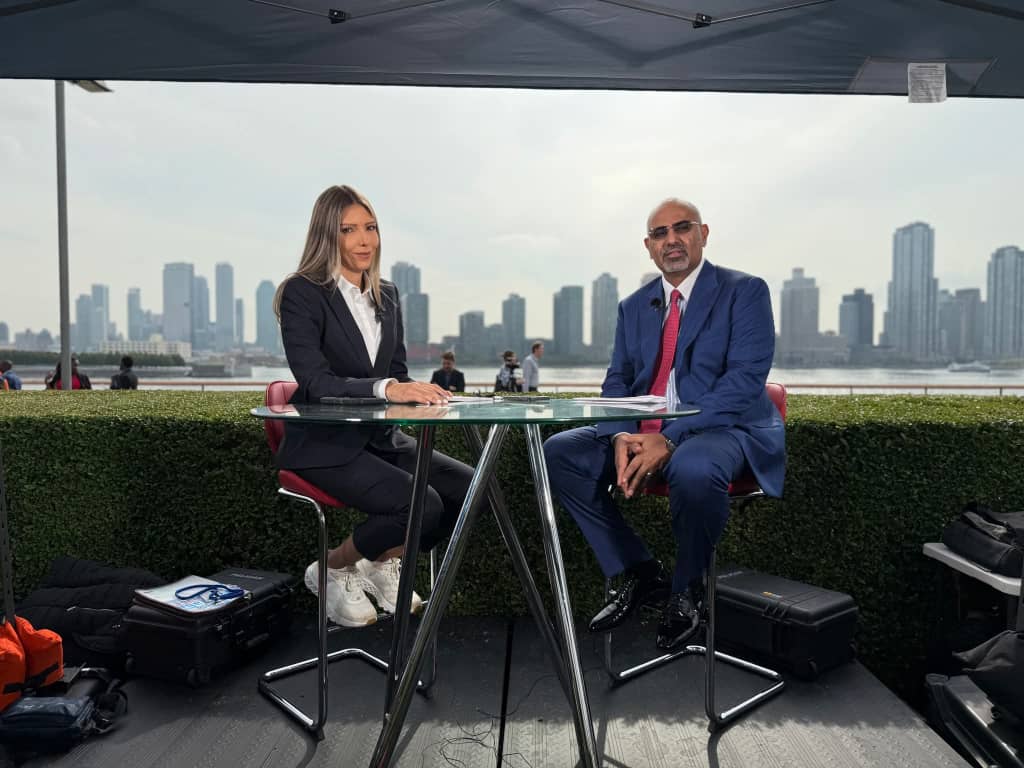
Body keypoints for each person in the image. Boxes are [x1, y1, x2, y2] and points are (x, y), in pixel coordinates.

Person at [543, 198, 785, 652]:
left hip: (723, 430)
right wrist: (620, 433)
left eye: (682, 228)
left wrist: (668, 440)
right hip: (644, 430)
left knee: (693, 467)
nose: (671, 240)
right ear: (649, 246)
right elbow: (618, 380)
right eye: (660, 234)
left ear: (703, 234)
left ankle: (687, 590)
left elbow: (743, 383)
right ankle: (638, 571)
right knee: (560, 452)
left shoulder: (744, 291)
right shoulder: (634, 306)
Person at [275, 184, 475, 627]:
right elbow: (315, 381)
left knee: (468, 490)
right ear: (327, 235)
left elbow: (397, 372)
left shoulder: (388, 294)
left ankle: (380, 562)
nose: (364, 240)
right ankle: (332, 566)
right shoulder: (301, 293)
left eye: (371, 227)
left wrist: (424, 394)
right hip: (324, 445)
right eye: (349, 230)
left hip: (380, 439)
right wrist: (389, 389)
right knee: (422, 504)